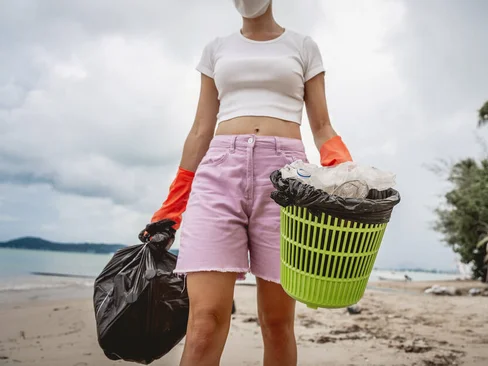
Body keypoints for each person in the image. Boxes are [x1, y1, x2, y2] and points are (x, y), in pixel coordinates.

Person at [143, 1, 352, 365]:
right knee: (204, 323)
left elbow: (321, 127)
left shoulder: (303, 47)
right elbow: (200, 130)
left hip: (287, 181)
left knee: (276, 323)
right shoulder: (216, 49)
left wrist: (347, 174)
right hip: (218, 175)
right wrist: (173, 205)